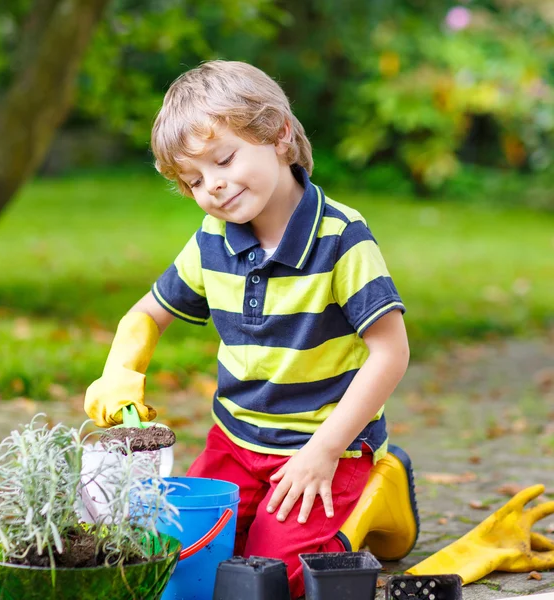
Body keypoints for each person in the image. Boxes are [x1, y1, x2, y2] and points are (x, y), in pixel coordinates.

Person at [85, 60, 410, 598]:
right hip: (235, 440)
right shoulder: (214, 236)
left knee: (269, 580)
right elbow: (147, 312)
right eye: (194, 180)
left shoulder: (342, 237)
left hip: (324, 445)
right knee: (183, 557)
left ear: (278, 135)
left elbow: (389, 353)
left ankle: (375, 495)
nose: (213, 186)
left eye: (224, 159)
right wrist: (121, 369)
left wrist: (325, 450)